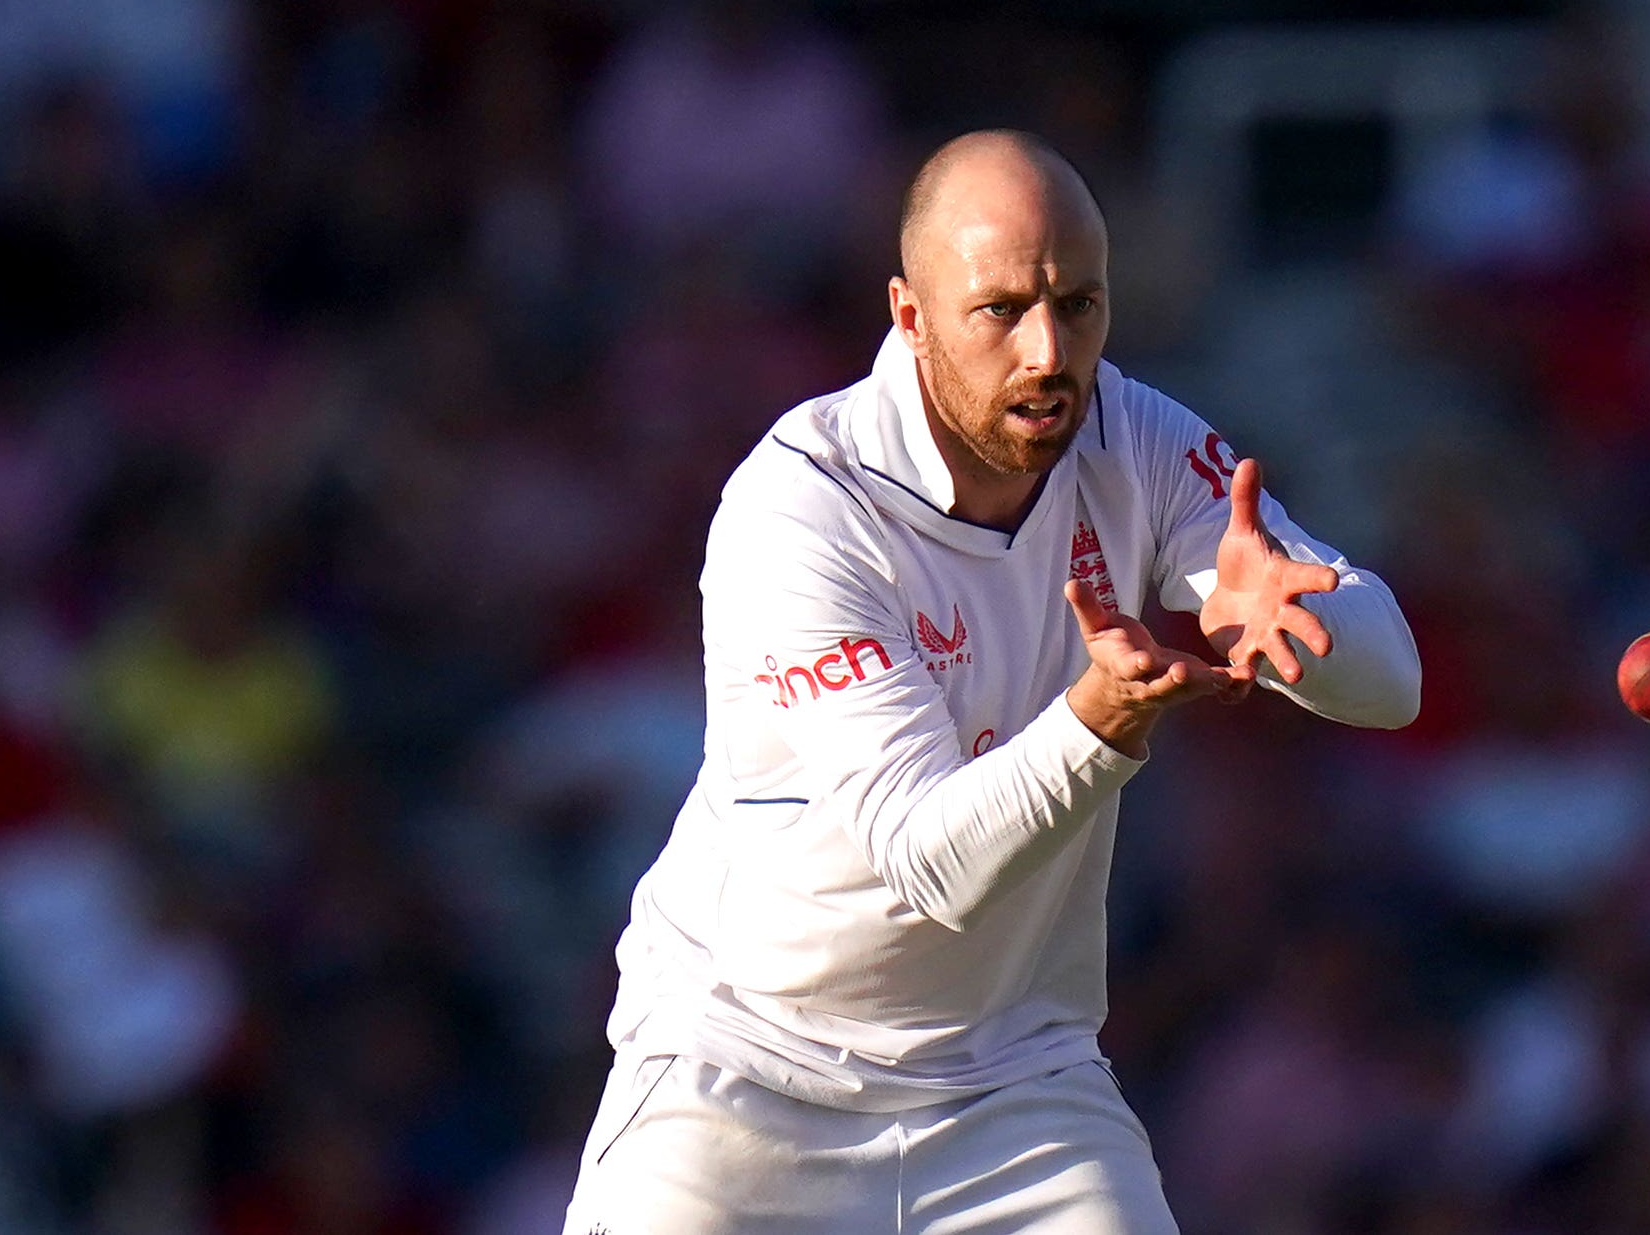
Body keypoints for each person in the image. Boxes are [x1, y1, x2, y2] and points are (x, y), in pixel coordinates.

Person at [561, 130, 1420, 1234]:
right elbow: (928, 858)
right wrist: (1099, 722)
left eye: (1078, 303)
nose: (1048, 352)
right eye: (1001, 308)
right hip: (745, 1079)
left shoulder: (1138, 435)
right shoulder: (801, 507)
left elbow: (1389, 683)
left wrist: (1304, 624)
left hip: (1014, 1088)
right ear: (909, 314)